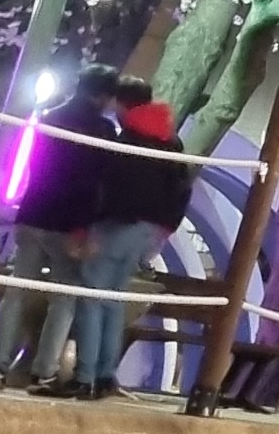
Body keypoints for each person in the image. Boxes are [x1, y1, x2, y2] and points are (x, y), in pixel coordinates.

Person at [0, 71, 132, 391]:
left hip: (33, 212)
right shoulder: (103, 130)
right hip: (69, 223)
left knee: (17, 292)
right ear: (102, 96)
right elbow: (94, 182)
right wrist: (86, 227)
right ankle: (44, 372)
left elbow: (35, 165)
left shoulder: (48, 117)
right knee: (63, 300)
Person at [53, 87, 195, 398]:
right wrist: (164, 228)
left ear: (121, 103)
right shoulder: (170, 141)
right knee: (114, 299)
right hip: (146, 231)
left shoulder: (125, 141)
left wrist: (84, 229)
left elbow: (102, 187)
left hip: (114, 225)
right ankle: (106, 375)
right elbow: (182, 189)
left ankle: (85, 377)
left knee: (91, 298)